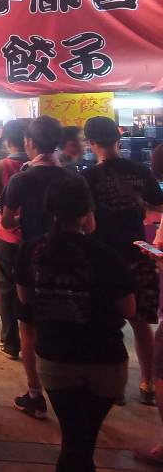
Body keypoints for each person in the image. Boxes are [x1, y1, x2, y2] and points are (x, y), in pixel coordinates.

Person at [16, 174, 134, 472]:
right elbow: (129, 308)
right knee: (82, 441)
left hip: (56, 358)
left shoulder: (32, 250)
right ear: (87, 211)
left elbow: (25, 298)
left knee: (74, 439)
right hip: (105, 359)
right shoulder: (105, 255)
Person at [82, 116, 163, 406]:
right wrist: (139, 206)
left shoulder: (88, 178)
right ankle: (148, 383)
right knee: (141, 323)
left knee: (105, 324)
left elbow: (86, 221)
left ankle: (112, 386)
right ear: (118, 138)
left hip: (103, 259)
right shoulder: (140, 171)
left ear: (90, 142)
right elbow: (159, 205)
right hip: (138, 255)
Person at [1, 115, 71, 419]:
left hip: (31, 259)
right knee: (65, 322)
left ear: (29, 142)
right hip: (69, 259)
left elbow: (6, 221)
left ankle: (35, 394)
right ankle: (67, 392)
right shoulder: (73, 178)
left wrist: (26, 219)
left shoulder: (22, 179)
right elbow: (89, 224)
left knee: (28, 328)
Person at [0, 118, 29, 361]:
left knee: (8, 289)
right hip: (36, 236)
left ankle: (11, 342)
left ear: (8, 141)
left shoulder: (0, 167)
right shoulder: (36, 166)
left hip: (8, 236)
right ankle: (35, 339)